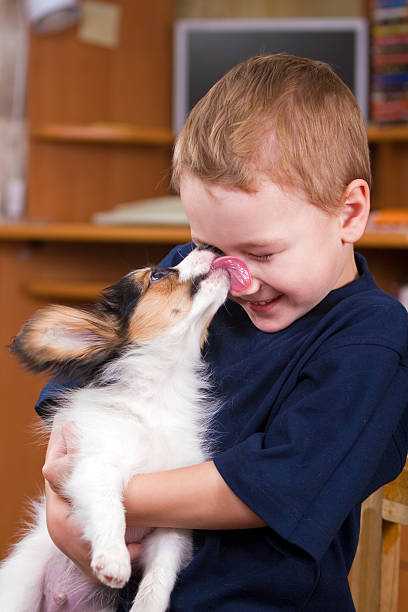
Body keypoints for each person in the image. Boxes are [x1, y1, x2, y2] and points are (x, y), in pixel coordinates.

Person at [38, 54, 408, 611]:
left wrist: (105, 494)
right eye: (210, 247)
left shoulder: (373, 340)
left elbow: (277, 482)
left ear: (350, 213)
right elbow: (83, 396)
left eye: (261, 252)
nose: (232, 278)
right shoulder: (198, 275)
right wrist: (67, 504)